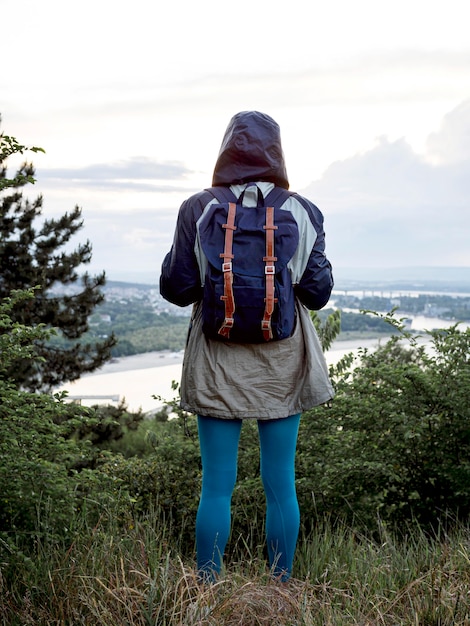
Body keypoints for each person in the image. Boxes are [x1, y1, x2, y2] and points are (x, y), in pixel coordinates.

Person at [160, 111, 334, 582]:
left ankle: (207, 588)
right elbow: (317, 294)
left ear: (225, 150)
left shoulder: (197, 208)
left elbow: (177, 289)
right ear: (277, 152)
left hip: (217, 354)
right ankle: (280, 587)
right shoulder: (302, 210)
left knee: (216, 485)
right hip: (285, 356)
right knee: (281, 484)